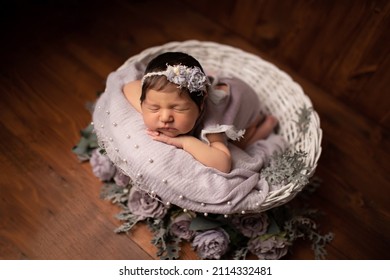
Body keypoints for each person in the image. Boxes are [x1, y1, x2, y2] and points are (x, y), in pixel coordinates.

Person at [123, 52, 278, 173]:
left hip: (244, 103)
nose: (165, 118)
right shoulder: (157, 98)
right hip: (217, 86)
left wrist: (184, 142)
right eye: (154, 107)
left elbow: (223, 163)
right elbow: (129, 87)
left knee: (239, 146)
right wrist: (148, 112)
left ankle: (264, 124)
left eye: (178, 109)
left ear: (201, 105)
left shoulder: (211, 127)